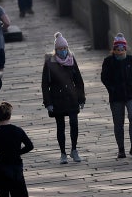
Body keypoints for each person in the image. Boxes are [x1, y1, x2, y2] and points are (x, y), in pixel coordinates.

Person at [41, 32, 85, 164]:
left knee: (74, 123)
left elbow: (79, 81)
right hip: (57, 99)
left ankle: (74, 149)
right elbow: (44, 84)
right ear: (56, 50)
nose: (63, 51)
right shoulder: (49, 63)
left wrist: (81, 98)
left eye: (65, 48)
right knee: (60, 127)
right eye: (60, 49)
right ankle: (63, 153)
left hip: (72, 98)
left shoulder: (71, 60)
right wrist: (48, 103)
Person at [100, 33, 132, 158]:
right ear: (114, 49)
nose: (120, 51)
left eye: (122, 49)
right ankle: (121, 149)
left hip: (131, 94)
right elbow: (104, 78)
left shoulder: (131, 59)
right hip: (116, 96)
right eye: (118, 49)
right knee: (118, 122)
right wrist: (112, 89)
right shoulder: (108, 61)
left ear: (125, 48)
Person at [0, 102, 33, 197]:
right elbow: (30, 146)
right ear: (9, 116)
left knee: (3, 194)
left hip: (1, 168)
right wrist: (17, 153)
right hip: (16, 168)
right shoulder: (18, 130)